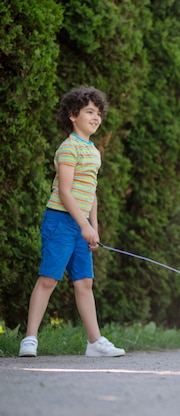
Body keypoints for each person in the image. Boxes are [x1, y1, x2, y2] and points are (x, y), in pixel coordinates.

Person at [19, 86, 125, 358]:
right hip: (61, 221)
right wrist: (83, 225)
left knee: (84, 282)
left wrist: (94, 227)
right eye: (89, 111)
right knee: (48, 279)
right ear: (72, 115)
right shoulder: (68, 148)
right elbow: (65, 192)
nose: (96, 117)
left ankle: (94, 342)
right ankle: (29, 339)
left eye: (99, 113)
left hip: (81, 226)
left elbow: (91, 193)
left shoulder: (93, 152)